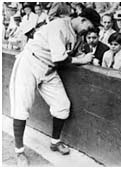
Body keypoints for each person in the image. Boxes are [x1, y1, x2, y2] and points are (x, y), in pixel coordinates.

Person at [9, 7, 101, 166]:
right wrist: (82, 60)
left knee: (63, 106)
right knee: (21, 108)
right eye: (89, 27)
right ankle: (19, 152)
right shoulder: (59, 25)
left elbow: (72, 54)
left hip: (49, 70)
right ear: (83, 19)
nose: (89, 30)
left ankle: (55, 142)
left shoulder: (78, 34)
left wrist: (84, 57)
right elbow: (59, 58)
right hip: (30, 62)